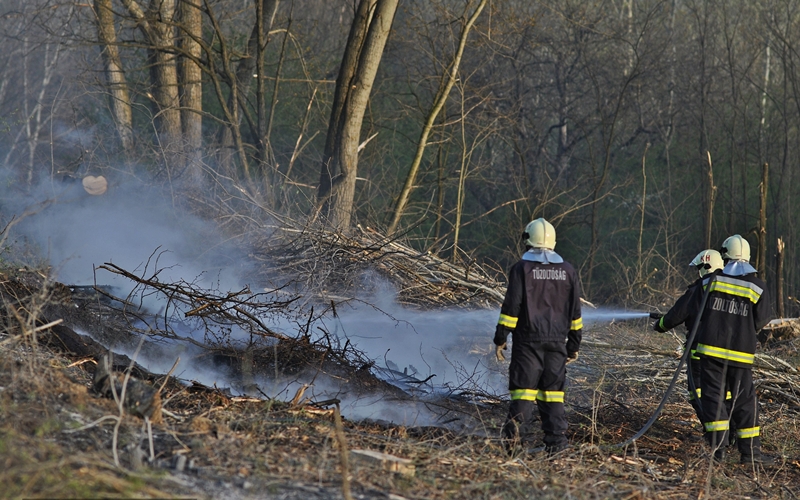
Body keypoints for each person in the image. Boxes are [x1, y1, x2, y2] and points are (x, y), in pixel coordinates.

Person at [493, 218, 583, 456]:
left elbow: (512, 307)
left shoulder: (521, 269)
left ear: (527, 240)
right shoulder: (568, 270)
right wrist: (573, 345)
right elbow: (575, 312)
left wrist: (500, 338)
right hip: (557, 344)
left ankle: (511, 446)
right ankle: (557, 447)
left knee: (523, 392)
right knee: (553, 396)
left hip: (527, 343)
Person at [653, 249, 725, 422]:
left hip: (700, 353)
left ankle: (714, 435)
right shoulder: (731, 288)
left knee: (698, 394)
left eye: (699, 268)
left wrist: (660, 324)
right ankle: (729, 434)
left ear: (706, 267)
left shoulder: (699, 289)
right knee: (723, 393)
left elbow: (675, 316)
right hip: (726, 353)